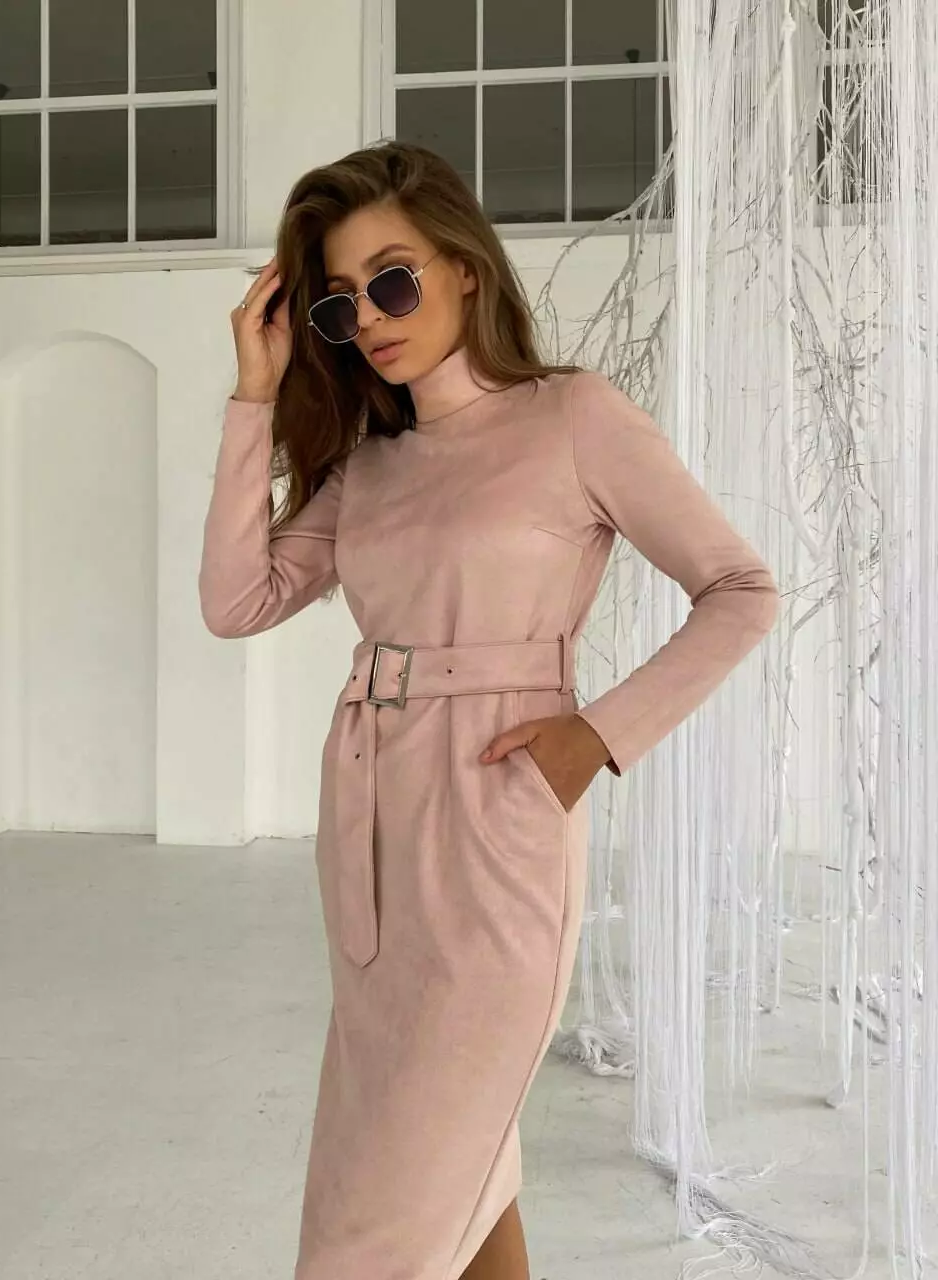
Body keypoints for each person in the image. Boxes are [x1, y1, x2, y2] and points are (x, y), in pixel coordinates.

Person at [198, 140, 780, 1280]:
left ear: (464, 267)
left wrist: (595, 737)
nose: (370, 319)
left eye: (393, 280)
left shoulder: (573, 416)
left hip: (499, 818)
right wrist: (254, 392)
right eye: (340, 303)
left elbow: (741, 590)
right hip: (369, 834)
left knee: (378, 1223)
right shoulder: (369, 466)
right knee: (450, 1172)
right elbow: (235, 601)